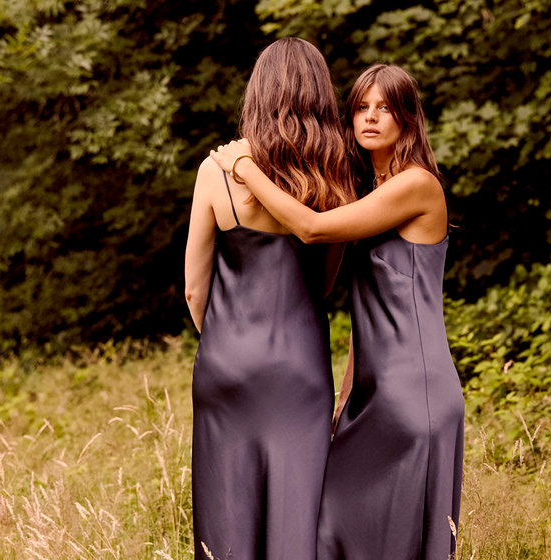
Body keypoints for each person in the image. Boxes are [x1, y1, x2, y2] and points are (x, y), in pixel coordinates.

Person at [211, 63, 464, 560]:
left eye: (385, 108)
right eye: (361, 108)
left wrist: (244, 169)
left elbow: (312, 229)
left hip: (415, 392)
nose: (370, 118)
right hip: (371, 393)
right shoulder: (371, 192)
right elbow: (369, 307)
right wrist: (345, 393)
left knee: (374, 542)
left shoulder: (418, 185)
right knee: (329, 534)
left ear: (408, 119)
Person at [184, 37, 356, 560]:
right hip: (299, 364)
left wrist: (223, 339)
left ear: (256, 94)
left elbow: (195, 287)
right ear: (320, 97)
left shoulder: (217, 170)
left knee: (226, 512)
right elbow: (325, 281)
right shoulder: (336, 172)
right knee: (296, 512)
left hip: (226, 360)